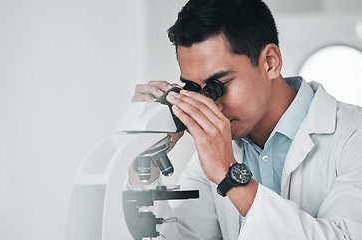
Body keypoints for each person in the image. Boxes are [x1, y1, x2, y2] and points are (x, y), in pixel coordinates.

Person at [130, 0, 362, 239]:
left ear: (270, 62)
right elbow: (175, 234)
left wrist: (229, 174)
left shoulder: (355, 135)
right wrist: (144, 160)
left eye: (219, 85)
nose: (210, 104)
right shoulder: (213, 154)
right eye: (195, 89)